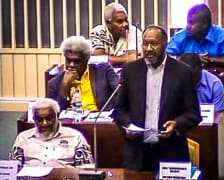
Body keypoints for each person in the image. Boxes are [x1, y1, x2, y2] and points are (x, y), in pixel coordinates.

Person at [111, 25, 202, 171]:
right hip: (138, 154)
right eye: (145, 43)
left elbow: (193, 113)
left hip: (171, 152)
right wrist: (128, 126)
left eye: (153, 43)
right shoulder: (130, 71)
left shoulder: (183, 72)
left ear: (165, 44)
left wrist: (176, 124)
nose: (148, 49)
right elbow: (119, 110)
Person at [9, 98, 93, 168]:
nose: (44, 123)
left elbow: (86, 169)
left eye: (49, 118)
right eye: (39, 120)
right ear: (34, 119)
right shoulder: (23, 138)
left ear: (58, 116)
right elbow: (12, 168)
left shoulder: (75, 137)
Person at [48, 36, 119, 111]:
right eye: (68, 60)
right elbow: (56, 113)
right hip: (73, 121)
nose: (71, 65)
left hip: (100, 119)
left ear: (86, 60)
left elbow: (121, 93)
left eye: (76, 61)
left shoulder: (104, 71)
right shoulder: (55, 82)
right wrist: (65, 86)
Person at [166, 3, 224, 67]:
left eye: (191, 23)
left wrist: (209, 60)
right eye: (187, 22)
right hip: (184, 79)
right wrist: (191, 59)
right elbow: (167, 57)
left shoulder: (223, 36)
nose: (188, 26)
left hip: (214, 79)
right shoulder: (180, 36)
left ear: (204, 25)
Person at [90, 2, 142, 66]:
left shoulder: (133, 31)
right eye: (119, 21)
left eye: (126, 20)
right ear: (108, 23)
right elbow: (99, 59)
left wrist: (109, 58)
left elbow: (134, 58)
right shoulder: (98, 32)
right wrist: (126, 58)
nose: (125, 24)